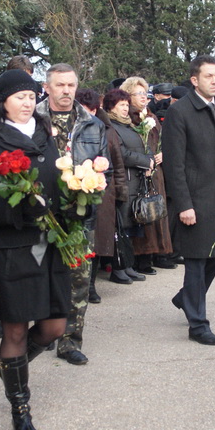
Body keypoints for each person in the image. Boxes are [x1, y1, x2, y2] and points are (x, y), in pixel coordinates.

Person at [0, 69, 70, 430]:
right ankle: (20, 409)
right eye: (20, 96)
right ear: (2, 101)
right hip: (12, 250)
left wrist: (80, 198)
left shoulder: (46, 136)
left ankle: (8, 366)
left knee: (55, 327)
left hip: (52, 244)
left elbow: (57, 186)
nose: (28, 103)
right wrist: (17, 210)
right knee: (16, 330)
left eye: (31, 96)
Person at [164, 55, 215, 346]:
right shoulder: (180, 112)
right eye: (209, 76)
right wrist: (184, 204)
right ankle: (198, 325)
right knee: (197, 260)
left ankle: (186, 298)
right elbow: (174, 164)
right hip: (195, 198)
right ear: (195, 80)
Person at [35, 63, 108, 366]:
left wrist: (89, 187)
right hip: (40, 213)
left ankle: (70, 340)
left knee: (78, 279)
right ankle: (41, 333)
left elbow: (106, 166)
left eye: (71, 85)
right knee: (39, 276)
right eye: (60, 85)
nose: (66, 91)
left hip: (78, 214)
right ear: (47, 87)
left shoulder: (92, 123)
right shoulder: (32, 118)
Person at [76, 88, 128, 300]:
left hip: (101, 193)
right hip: (73, 189)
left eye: (91, 111)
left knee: (96, 241)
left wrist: (120, 193)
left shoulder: (106, 131)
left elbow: (117, 164)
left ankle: (90, 286)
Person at [120, 76, 174, 272]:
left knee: (156, 210)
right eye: (139, 93)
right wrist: (146, 159)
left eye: (145, 93)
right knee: (140, 212)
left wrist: (162, 153)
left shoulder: (150, 116)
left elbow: (162, 139)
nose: (144, 97)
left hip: (156, 170)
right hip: (138, 171)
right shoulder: (128, 117)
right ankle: (140, 258)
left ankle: (157, 253)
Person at [105, 88, 154, 283]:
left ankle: (128, 265)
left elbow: (145, 146)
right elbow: (121, 154)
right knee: (121, 227)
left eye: (126, 105)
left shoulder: (131, 126)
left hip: (137, 182)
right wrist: (145, 161)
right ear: (111, 107)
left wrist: (151, 160)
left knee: (132, 226)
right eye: (121, 105)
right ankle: (118, 268)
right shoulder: (111, 127)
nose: (125, 109)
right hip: (123, 181)